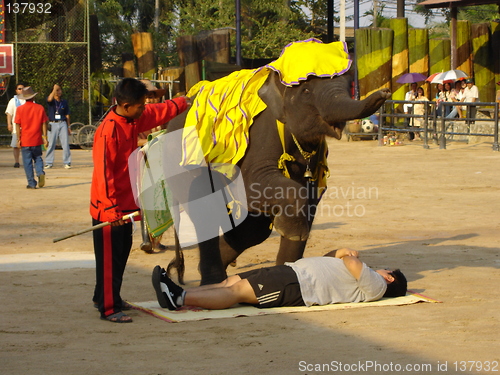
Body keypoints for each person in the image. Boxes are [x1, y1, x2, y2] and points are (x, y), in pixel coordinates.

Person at [90, 78, 190, 323]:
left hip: (125, 204)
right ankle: (109, 308)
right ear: (125, 105)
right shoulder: (108, 131)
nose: (144, 109)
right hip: (108, 208)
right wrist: (110, 209)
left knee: (121, 253)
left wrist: (184, 102)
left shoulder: (133, 119)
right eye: (140, 106)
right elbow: (104, 174)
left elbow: (158, 111)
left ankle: (105, 296)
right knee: (109, 258)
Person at [152, 248, 407, 311]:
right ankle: (178, 290)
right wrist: (341, 252)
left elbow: (351, 262)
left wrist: (351, 256)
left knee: (238, 291)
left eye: (387, 270)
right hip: (292, 272)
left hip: (299, 287)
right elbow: (335, 257)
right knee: (230, 281)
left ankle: (178, 298)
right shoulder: (366, 278)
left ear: (390, 279)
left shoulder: (377, 286)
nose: (382, 269)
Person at [137, 79, 170, 253]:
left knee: (161, 200)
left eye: (152, 97)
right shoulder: (136, 117)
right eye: (146, 97)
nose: (150, 100)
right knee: (146, 201)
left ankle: (156, 239)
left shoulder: (163, 116)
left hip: (160, 162)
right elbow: (132, 140)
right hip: (143, 162)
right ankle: (146, 238)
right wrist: (151, 141)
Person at [13, 87, 49, 189]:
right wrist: (45, 137)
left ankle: (31, 183)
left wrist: (18, 139)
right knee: (38, 158)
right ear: (33, 97)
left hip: (25, 140)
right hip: (37, 139)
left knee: (27, 162)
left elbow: (17, 124)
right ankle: (40, 172)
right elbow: (44, 124)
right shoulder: (40, 108)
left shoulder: (20, 109)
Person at [45, 84, 71, 169]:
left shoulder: (64, 102)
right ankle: (49, 162)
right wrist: (54, 89)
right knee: (51, 143)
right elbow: (49, 99)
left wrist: (68, 126)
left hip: (62, 123)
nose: (59, 92)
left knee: (65, 143)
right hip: (53, 123)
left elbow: (67, 114)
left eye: (59, 90)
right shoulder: (51, 101)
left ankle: (67, 162)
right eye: (57, 90)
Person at [5, 83, 26, 168]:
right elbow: (9, 113)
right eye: (19, 89)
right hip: (16, 127)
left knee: (26, 146)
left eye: (22, 89)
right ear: (16, 90)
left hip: (26, 127)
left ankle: (26, 161)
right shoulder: (13, 101)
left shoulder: (27, 99)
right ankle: (17, 161)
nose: (21, 90)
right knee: (16, 145)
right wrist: (9, 124)